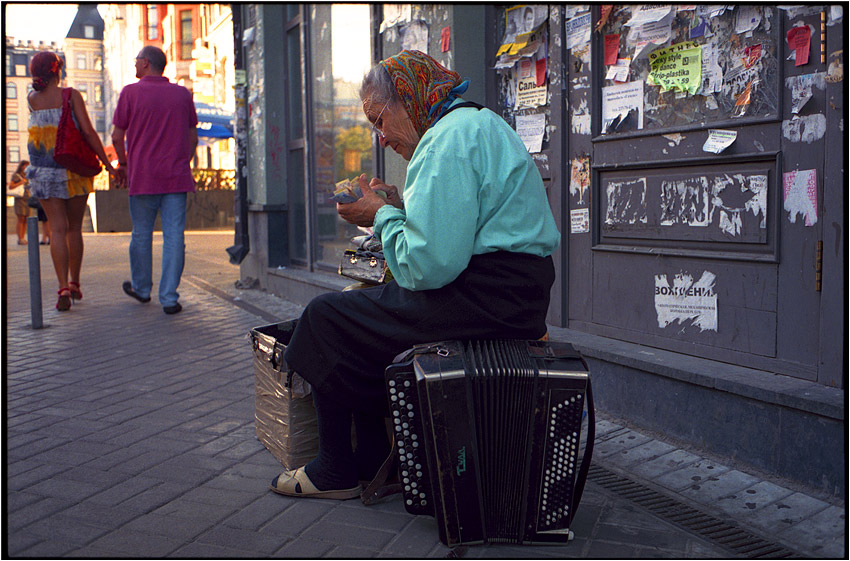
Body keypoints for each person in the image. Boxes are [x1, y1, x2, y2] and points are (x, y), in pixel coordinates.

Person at [269, 50, 560, 499]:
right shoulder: (477, 123)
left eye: (380, 120)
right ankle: (368, 457)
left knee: (326, 318)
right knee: (354, 312)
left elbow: (425, 267)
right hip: (512, 294)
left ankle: (335, 470)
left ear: (408, 98)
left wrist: (382, 214)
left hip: (485, 299)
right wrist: (400, 206)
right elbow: (459, 224)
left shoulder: (444, 142)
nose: (381, 137)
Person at [25, 52, 117, 311]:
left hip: (43, 171)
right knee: (74, 228)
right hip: (73, 170)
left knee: (56, 229)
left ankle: (62, 286)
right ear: (58, 71)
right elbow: (87, 132)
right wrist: (107, 164)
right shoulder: (71, 95)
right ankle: (76, 283)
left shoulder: (31, 99)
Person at [112, 46, 198, 315]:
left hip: (143, 176)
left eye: (137, 60)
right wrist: (184, 161)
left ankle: (141, 288)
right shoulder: (183, 94)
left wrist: (123, 164)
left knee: (141, 234)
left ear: (146, 63)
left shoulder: (130, 93)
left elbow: (116, 136)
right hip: (176, 177)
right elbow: (192, 137)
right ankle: (170, 298)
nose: (135, 65)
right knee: (174, 236)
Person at [8, 160, 31, 245]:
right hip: (20, 199)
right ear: (21, 166)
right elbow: (10, 186)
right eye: (25, 166)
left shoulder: (28, 175)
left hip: (27, 198)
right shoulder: (16, 175)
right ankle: (20, 238)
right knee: (20, 218)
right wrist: (21, 182)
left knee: (25, 219)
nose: (26, 168)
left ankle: (23, 237)